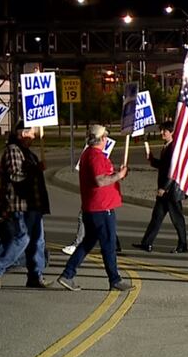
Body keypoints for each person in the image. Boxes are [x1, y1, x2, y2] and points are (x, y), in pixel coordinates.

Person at [57, 124, 133, 292]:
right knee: (108, 244)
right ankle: (115, 279)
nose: (107, 140)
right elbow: (100, 180)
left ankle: (67, 274)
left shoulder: (88, 154)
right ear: (102, 138)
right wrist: (119, 175)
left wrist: (116, 175)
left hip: (94, 207)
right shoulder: (95, 156)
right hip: (101, 207)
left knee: (87, 242)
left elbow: (104, 177)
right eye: (106, 136)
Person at [0, 122, 51, 289]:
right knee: (23, 239)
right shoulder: (13, 150)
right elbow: (15, 176)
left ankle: (35, 275)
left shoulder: (27, 152)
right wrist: (36, 169)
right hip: (20, 204)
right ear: (22, 134)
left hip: (33, 204)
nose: (34, 136)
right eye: (31, 133)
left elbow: (5, 173)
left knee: (38, 241)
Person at [132, 121, 188, 253]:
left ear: (172, 132)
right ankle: (147, 243)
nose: (162, 133)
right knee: (156, 217)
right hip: (165, 191)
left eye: (165, 131)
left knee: (177, 219)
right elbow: (164, 166)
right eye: (161, 130)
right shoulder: (167, 146)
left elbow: (173, 171)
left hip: (171, 191)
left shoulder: (174, 148)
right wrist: (152, 160)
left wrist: (164, 188)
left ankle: (183, 244)